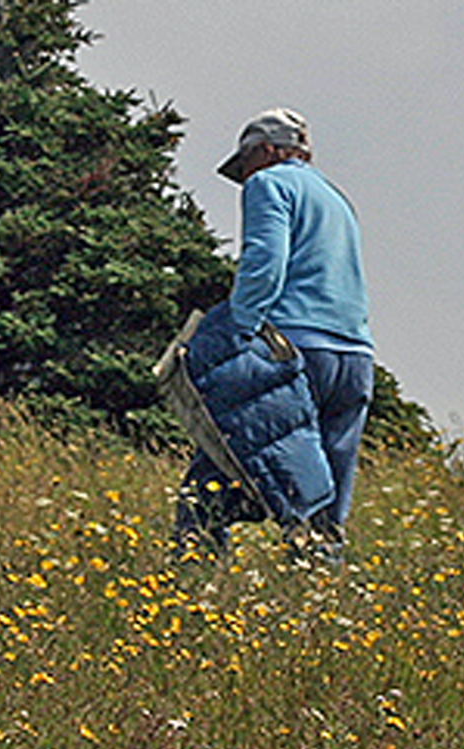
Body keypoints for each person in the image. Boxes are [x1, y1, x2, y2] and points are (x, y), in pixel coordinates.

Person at [176, 107, 374, 560]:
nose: (244, 178)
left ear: (265, 151)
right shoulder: (335, 198)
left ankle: (192, 590)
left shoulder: (269, 184)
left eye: (244, 165)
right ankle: (318, 592)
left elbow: (265, 262)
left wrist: (237, 329)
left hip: (293, 350)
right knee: (322, 505)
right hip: (354, 356)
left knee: (215, 475)